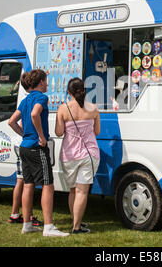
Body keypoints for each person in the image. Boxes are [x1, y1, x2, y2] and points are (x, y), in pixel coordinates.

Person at [8, 69, 68, 237]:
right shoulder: (41, 97)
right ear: (41, 82)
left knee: (28, 184)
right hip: (37, 147)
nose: (48, 84)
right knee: (48, 185)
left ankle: (27, 223)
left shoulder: (25, 100)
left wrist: (25, 134)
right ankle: (48, 226)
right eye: (46, 81)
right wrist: (40, 136)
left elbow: (12, 121)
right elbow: (35, 114)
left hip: (25, 147)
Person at [55, 77, 101, 234]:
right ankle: (76, 226)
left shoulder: (63, 109)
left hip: (69, 155)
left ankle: (76, 222)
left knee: (73, 191)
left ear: (69, 92)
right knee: (82, 192)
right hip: (89, 154)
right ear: (84, 91)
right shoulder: (93, 108)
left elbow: (59, 132)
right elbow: (97, 132)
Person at [8, 72, 43, 227]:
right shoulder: (33, 99)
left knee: (20, 180)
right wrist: (28, 134)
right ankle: (27, 216)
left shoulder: (23, 98)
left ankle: (15, 213)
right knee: (28, 182)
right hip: (27, 142)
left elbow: (11, 121)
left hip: (19, 143)